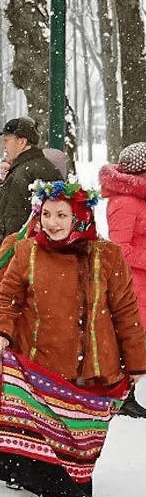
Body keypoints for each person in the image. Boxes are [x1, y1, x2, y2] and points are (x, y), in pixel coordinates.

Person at [0, 180, 146, 497]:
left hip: (94, 370)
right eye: (47, 215)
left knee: (85, 447)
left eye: (62, 215)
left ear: (80, 216)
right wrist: (0, 331)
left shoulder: (107, 256)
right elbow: (5, 296)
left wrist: (135, 362)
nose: (53, 223)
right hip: (45, 372)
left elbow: (125, 311)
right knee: (55, 449)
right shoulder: (27, 253)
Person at [99, 141, 146, 418]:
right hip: (133, 284)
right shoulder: (125, 201)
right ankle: (123, 396)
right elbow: (120, 248)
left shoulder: (138, 197)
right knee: (131, 341)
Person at [0, 116, 62, 253]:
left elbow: (17, 218)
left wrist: (10, 251)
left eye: (6, 140)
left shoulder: (31, 170)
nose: (3, 146)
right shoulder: (23, 169)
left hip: (25, 255)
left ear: (22, 142)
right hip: (22, 253)